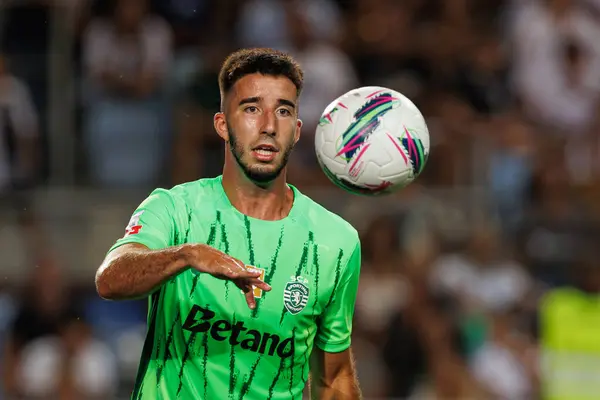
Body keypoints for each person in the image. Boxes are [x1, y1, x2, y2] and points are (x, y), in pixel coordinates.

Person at [95, 48, 362, 400]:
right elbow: (110, 280)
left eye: (283, 111)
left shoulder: (335, 241)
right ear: (222, 124)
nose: (268, 126)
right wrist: (188, 255)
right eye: (251, 108)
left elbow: (334, 378)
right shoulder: (175, 209)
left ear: (297, 131)